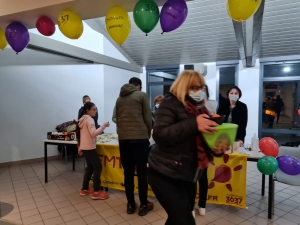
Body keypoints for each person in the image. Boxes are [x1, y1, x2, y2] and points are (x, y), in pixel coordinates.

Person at [148, 70, 227, 225]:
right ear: (184, 86)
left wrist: (216, 149)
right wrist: (194, 123)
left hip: (188, 176)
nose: (199, 92)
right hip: (164, 174)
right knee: (185, 221)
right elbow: (159, 134)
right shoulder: (170, 103)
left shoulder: (201, 109)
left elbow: (204, 142)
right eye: (195, 88)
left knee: (176, 219)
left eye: (201, 88)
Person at [115, 77, 153, 216]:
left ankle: (130, 204)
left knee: (128, 173)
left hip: (124, 140)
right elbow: (148, 118)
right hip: (139, 139)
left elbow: (117, 119)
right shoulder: (142, 95)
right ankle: (143, 205)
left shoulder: (119, 99)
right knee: (142, 173)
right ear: (138, 86)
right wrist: (147, 134)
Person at [76, 102, 110, 200]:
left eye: (96, 109)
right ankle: (96, 191)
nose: (95, 111)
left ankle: (84, 189)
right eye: (93, 109)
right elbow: (93, 134)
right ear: (87, 110)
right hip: (90, 148)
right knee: (97, 167)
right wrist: (103, 126)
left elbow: (81, 135)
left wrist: (80, 147)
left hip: (85, 147)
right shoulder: (90, 120)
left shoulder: (82, 120)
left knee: (90, 167)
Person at [195, 84, 218, 216]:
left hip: (205, 146)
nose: (200, 92)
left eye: (203, 90)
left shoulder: (210, 106)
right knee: (191, 180)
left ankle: (202, 204)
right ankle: (191, 208)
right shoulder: (187, 108)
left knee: (203, 178)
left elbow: (214, 126)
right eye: (197, 89)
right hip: (191, 149)